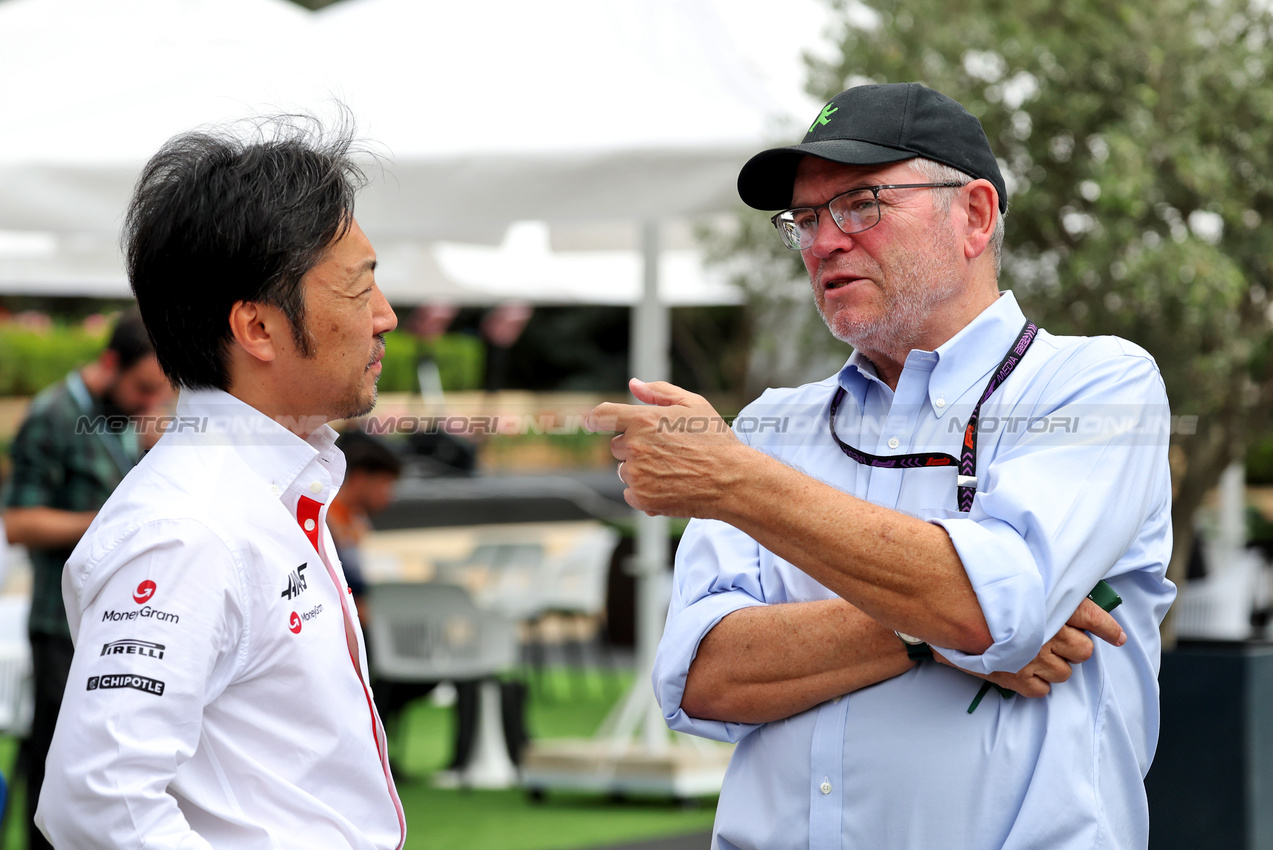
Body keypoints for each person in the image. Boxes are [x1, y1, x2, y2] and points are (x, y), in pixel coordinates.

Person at [589, 83, 1175, 849]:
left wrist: (737, 483)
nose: (824, 240)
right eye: (803, 218)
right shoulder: (772, 423)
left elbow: (984, 606)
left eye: (861, 203)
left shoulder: (1095, 385)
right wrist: (925, 633)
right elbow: (701, 681)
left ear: (973, 215)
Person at [35, 116, 406, 849]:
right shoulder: (191, 526)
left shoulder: (266, 484)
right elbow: (96, 800)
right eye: (359, 290)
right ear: (258, 328)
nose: (386, 317)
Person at [2, 308, 170, 850]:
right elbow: (18, 523)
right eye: (144, 388)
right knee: (60, 763)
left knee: (83, 758)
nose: (151, 402)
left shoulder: (123, 416)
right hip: (59, 625)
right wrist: (112, 526)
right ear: (109, 363)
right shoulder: (53, 413)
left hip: (113, 622)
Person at [328, 429, 403, 623]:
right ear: (360, 479)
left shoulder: (353, 521)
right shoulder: (326, 526)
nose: (390, 496)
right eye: (387, 484)